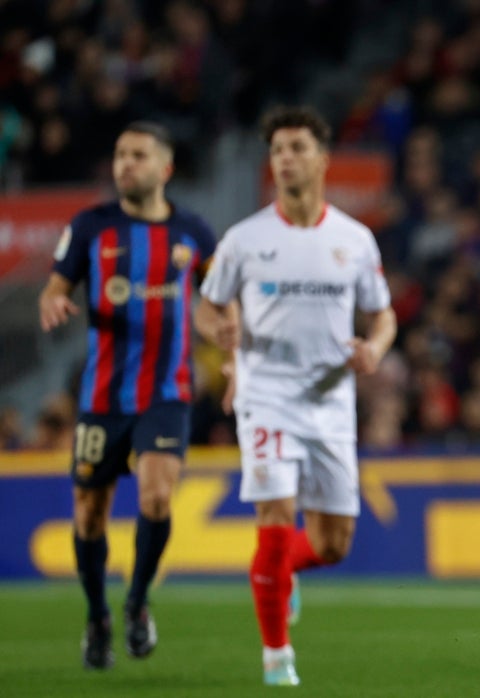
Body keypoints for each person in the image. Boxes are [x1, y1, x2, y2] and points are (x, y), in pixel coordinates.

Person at [195, 105, 396, 686]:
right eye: (277, 149)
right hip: (267, 396)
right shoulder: (244, 239)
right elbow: (208, 308)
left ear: (322, 159)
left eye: (297, 147)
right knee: (275, 516)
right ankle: (277, 658)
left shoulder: (354, 241)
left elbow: (382, 318)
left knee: (333, 544)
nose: (285, 158)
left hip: (331, 401)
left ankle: (282, 574)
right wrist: (220, 332)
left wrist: (376, 350)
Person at [38, 121, 218, 669]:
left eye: (138, 155)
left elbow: (214, 298)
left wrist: (222, 328)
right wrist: (52, 302)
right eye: (119, 154)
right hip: (102, 396)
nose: (125, 164)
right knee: (89, 514)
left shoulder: (193, 232)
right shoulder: (91, 227)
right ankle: (98, 614)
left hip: (167, 391)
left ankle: (138, 601)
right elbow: (55, 286)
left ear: (164, 168)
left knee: (157, 496)